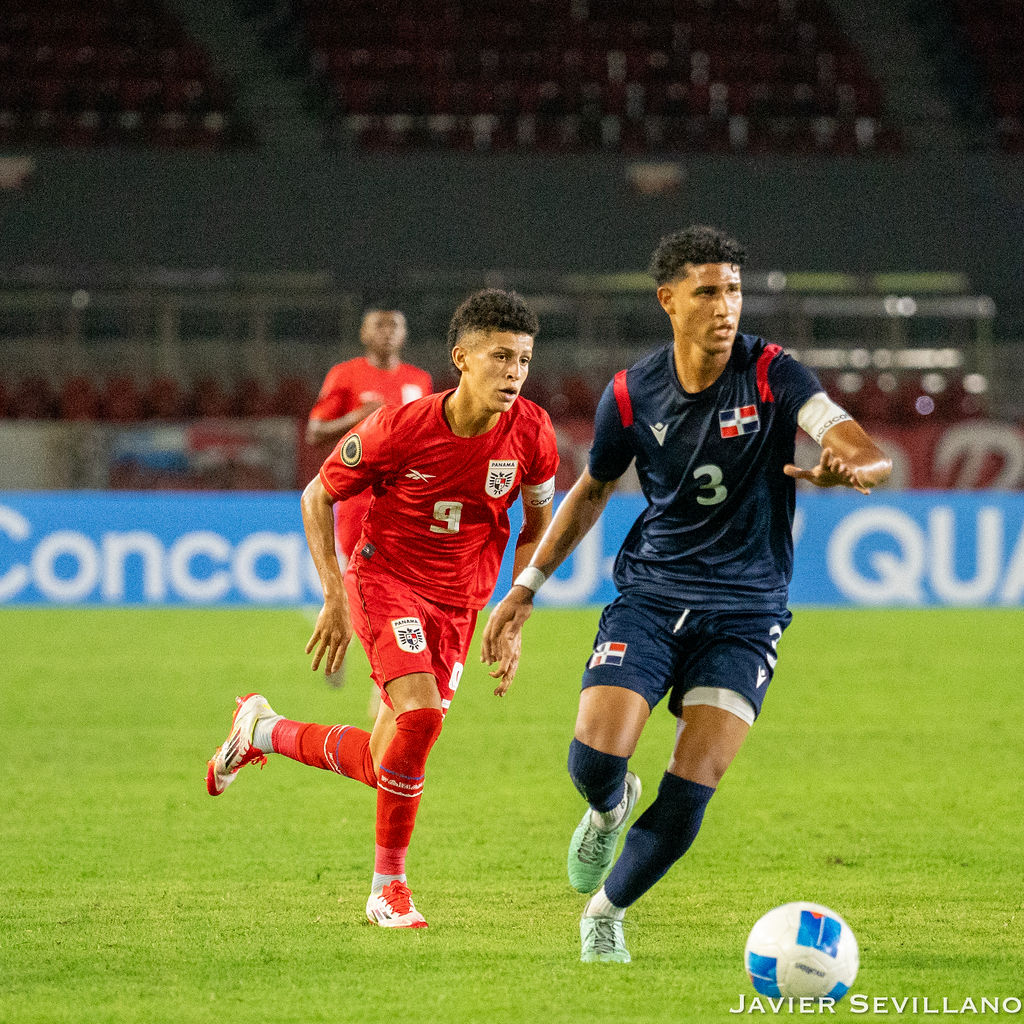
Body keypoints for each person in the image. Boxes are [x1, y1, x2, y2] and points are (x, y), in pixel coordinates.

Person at [481, 226, 892, 963]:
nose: (725, 305)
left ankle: (606, 914)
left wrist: (852, 465)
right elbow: (594, 487)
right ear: (669, 301)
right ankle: (609, 810)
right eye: (707, 291)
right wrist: (526, 587)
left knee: (694, 780)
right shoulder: (631, 392)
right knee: (594, 761)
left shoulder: (773, 374)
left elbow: (857, 442)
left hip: (746, 611)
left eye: (733, 289)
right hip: (652, 594)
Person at [207, 289, 559, 929]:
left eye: (524, 361)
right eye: (501, 357)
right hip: (386, 579)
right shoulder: (401, 427)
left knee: (387, 761)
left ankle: (261, 730)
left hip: (461, 603)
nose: (514, 373)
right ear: (461, 358)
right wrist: (334, 595)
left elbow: (539, 523)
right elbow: (317, 496)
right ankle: (387, 890)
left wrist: (517, 605)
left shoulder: (532, 432)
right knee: (419, 717)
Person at [306, 309, 432, 689]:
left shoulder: (419, 380)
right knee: (354, 584)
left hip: (406, 505)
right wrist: (357, 417)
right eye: (380, 324)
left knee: (404, 589)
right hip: (357, 502)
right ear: (363, 332)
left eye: (395, 324)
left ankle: (393, 671)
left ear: (405, 333)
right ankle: (339, 634)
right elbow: (314, 431)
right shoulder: (346, 375)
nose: (388, 332)